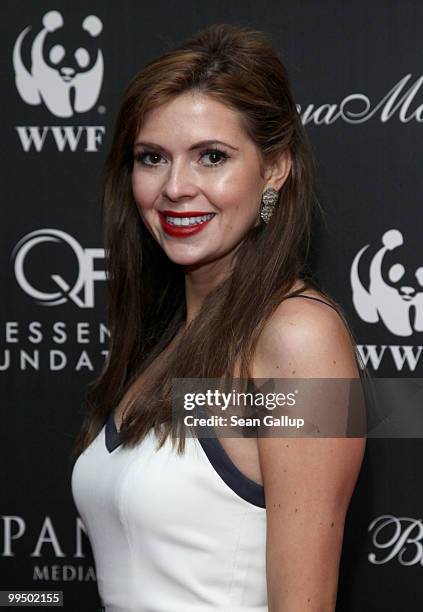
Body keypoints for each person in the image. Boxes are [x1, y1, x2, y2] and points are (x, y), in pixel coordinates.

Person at [71, 23, 367, 612]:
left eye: (212, 157)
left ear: (275, 169)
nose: (176, 187)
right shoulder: (168, 343)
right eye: (152, 158)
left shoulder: (298, 338)